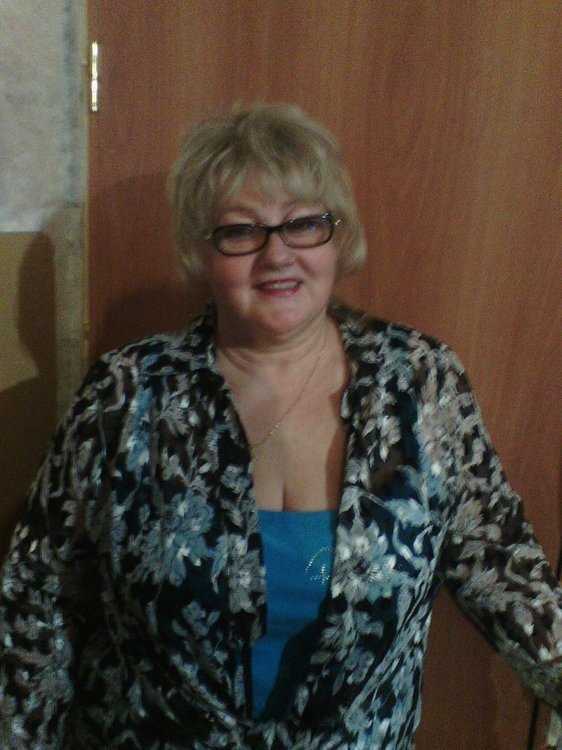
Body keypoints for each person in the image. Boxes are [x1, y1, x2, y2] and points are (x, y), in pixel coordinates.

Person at [0, 103, 560, 750]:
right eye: (241, 231)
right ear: (201, 251)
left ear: (338, 237)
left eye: (304, 224)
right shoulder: (125, 393)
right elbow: (39, 599)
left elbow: (500, 565)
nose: (277, 255)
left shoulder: (422, 382)